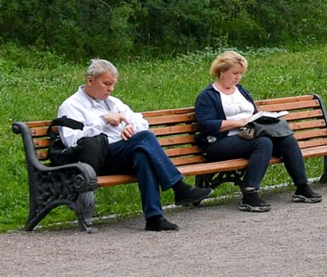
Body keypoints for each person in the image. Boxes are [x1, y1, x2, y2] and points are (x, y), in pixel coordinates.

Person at [56, 59, 212, 231]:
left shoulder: (113, 102)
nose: (111, 88)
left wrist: (129, 128)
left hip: (121, 153)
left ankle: (154, 218)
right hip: (94, 161)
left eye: (113, 84)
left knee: (142, 154)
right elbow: (72, 141)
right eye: (106, 84)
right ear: (90, 80)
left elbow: (141, 122)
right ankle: (179, 187)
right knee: (144, 139)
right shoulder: (71, 106)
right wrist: (102, 120)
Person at [193, 50, 322, 212]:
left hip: (248, 135)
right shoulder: (208, 96)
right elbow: (206, 124)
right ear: (222, 71)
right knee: (263, 143)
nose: (237, 77)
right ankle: (250, 195)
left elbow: (252, 112)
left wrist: (263, 118)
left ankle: (302, 187)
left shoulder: (241, 90)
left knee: (287, 139)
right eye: (234, 73)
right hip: (219, 143)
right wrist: (236, 123)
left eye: (240, 74)